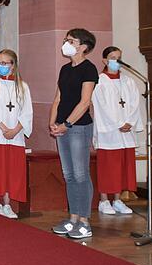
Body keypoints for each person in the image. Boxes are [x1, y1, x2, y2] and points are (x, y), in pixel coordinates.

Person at [49, 28, 99, 239]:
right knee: (69, 175)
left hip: (78, 127)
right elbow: (58, 98)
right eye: (66, 39)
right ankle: (73, 218)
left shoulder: (89, 69)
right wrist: (53, 122)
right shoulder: (65, 69)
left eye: (71, 40)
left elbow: (85, 101)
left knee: (80, 174)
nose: (66, 43)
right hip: (62, 126)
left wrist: (67, 124)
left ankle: (84, 222)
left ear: (83, 46)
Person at [0, 49, 33, 219]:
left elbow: (27, 111)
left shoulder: (22, 86)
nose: (1, 66)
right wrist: (4, 129)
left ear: (13, 65)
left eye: (4, 63)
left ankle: (8, 204)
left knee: (11, 170)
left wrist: (16, 130)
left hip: (15, 135)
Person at [92, 46, 141, 215]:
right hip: (109, 132)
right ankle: (104, 200)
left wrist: (130, 122)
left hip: (126, 132)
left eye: (119, 57)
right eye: (113, 58)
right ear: (105, 60)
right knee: (108, 166)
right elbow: (101, 107)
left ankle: (118, 199)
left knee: (121, 166)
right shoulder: (99, 81)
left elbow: (135, 104)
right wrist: (118, 122)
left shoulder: (128, 81)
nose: (117, 61)